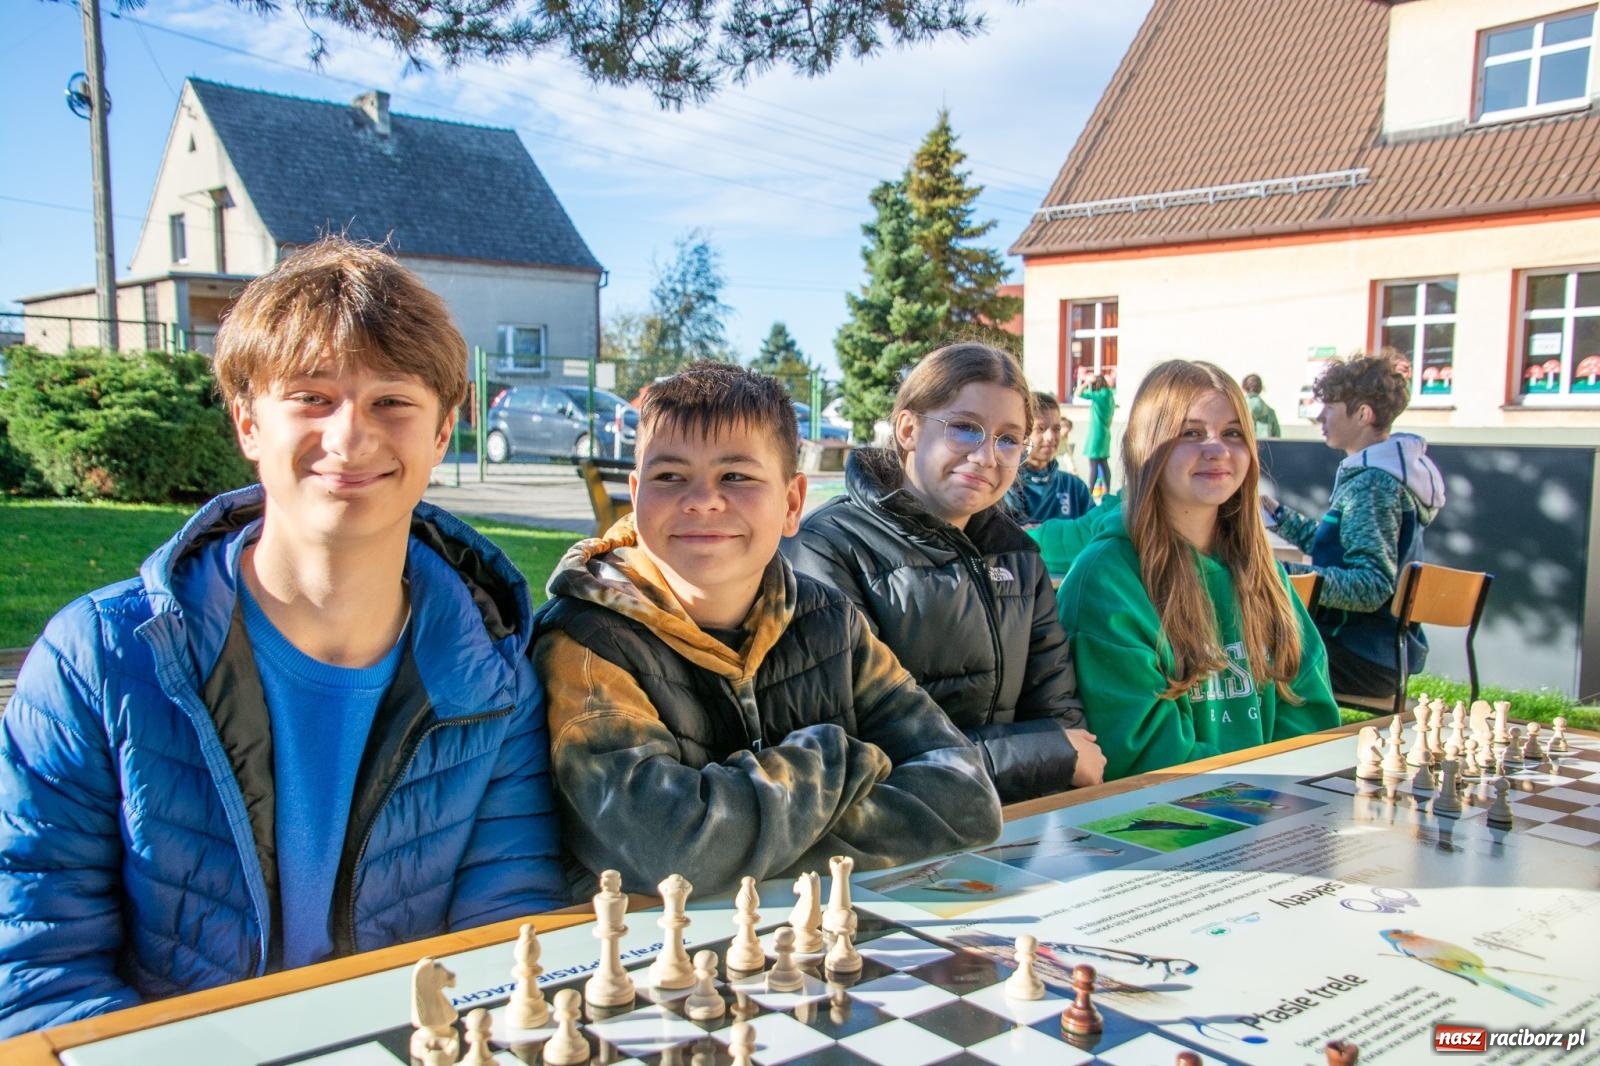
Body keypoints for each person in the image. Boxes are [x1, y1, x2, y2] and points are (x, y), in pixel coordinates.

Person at [0, 238, 566, 1039]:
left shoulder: (498, 671)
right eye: (311, 397)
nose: (350, 438)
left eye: (391, 403)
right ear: (246, 423)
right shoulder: (97, 660)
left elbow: (510, 924)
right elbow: (36, 965)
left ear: (443, 433)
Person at [532, 361, 1001, 896]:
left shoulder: (831, 621)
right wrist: (842, 758)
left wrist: (742, 852)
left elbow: (967, 797)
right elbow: (670, 852)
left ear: (792, 502)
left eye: (736, 475)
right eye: (669, 477)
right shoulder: (587, 645)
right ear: (635, 496)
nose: (702, 499)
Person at [786, 344, 1105, 803]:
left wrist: (1051, 755)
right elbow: (855, 754)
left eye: (1008, 438)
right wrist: (1039, 754)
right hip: (894, 847)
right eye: (965, 429)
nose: (987, 456)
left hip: (1015, 827)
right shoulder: (828, 549)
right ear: (909, 429)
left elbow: (1064, 723)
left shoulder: (1017, 554)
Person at [1057, 360, 1340, 781]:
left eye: (1232, 433)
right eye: (1191, 433)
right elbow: (1144, 756)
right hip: (1162, 830)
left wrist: (1281, 803)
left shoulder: (1265, 575)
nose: (1217, 449)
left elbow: (1309, 717)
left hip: (1270, 822)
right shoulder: (1107, 580)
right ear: (1146, 446)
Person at [1262, 355, 1445, 698]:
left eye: (1329, 407)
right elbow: (1338, 548)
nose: (1319, 416)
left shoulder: (1373, 485)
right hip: (1376, 653)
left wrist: (1274, 572)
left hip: (1359, 654)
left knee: (1235, 651)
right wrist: (1280, 517)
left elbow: (1371, 586)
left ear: (1362, 414)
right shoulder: (1379, 476)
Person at [1004, 390, 1094, 526]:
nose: (1051, 437)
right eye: (1040, 429)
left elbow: (1096, 530)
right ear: (1020, 433)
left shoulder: (1074, 487)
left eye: (1056, 429)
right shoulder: (1005, 487)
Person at [1078, 373, 1116, 494]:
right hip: (1105, 433)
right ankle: (1107, 491)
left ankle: (1090, 492)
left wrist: (1086, 382)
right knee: (1103, 463)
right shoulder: (1110, 395)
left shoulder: (1100, 395)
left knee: (1094, 463)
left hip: (1096, 433)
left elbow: (1078, 393)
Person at [1242, 374, 1281, 438]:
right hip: (1266, 445)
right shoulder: (1270, 412)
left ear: (1244, 387)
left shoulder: (1237, 408)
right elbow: (1277, 436)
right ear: (1261, 388)